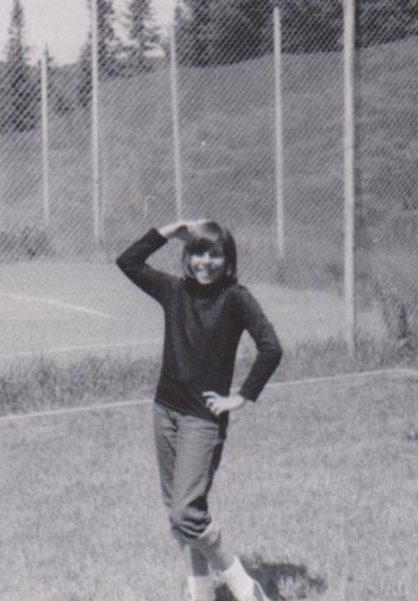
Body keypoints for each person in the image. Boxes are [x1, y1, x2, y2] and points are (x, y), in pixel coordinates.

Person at [116, 220, 283, 601]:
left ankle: (243, 585)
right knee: (179, 508)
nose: (205, 261)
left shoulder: (236, 297)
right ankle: (201, 590)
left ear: (228, 260)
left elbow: (271, 347)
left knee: (185, 513)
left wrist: (240, 397)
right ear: (187, 257)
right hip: (165, 411)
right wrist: (167, 230)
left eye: (215, 254)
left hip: (202, 418)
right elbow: (128, 262)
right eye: (197, 252)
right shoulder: (173, 290)